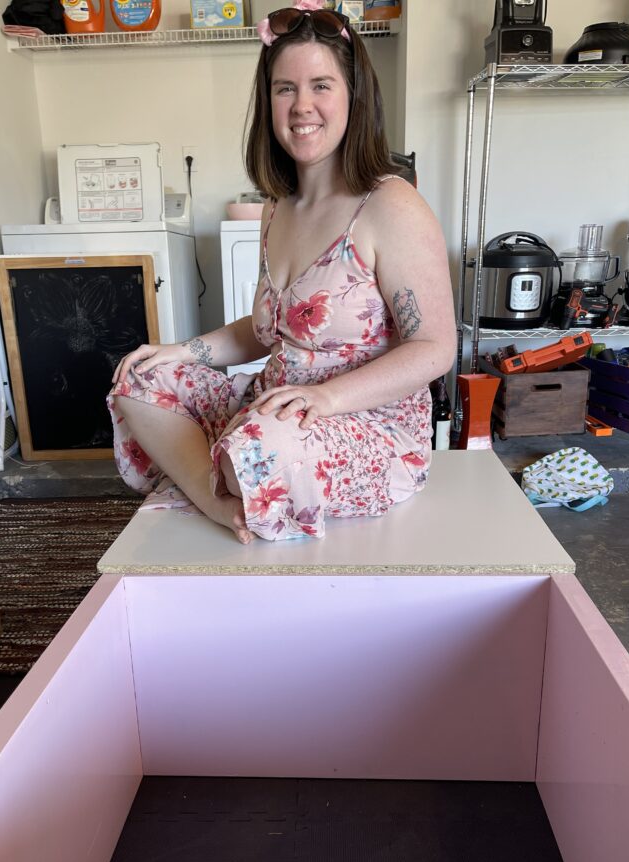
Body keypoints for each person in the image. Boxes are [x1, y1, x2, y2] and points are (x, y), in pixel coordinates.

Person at [109, 2, 456, 545]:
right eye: (284, 89)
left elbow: (435, 346)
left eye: (321, 85)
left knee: (257, 446)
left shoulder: (391, 204)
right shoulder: (278, 206)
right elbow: (266, 329)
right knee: (140, 377)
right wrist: (183, 351)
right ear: (267, 101)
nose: (302, 107)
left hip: (368, 424)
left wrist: (327, 400)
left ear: (353, 95)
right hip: (275, 404)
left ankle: (229, 476)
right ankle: (220, 500)